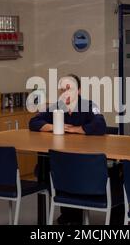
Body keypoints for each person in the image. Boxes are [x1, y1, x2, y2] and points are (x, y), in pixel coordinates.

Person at [29, 74, 111, 225]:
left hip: (84, 162)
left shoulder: (89, 105)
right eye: (62, 90)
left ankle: (72, 216)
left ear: (78, 90)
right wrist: (53, 126)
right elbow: (34, 122)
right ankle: (68, 216)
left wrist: (76, 129)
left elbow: (100, 125)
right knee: (46, 167)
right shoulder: (57, 107)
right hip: (64, 160)